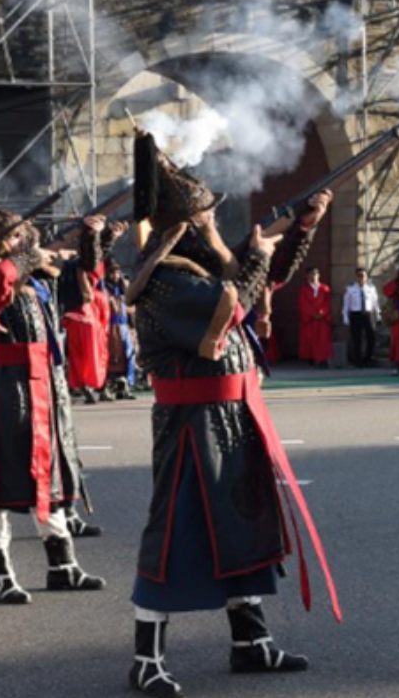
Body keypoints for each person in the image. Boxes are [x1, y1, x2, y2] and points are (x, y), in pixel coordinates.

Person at [125, 131, 339, 697]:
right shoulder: (167, 284)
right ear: (185, 230)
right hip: (193, 431)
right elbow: (237, 302)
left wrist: (302, 228)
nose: (216, 229)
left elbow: (252, 278)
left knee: (243, 528)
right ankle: (146, 659)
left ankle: (251, 642)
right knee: (174, 537)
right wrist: (259, 256)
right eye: (207, 222)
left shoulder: (195, 273)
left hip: (231, 420)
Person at [0, 181, 105, 604]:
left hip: (45, 385)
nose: (21, 241)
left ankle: (63, 566)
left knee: (50, 478)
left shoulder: (34, 279)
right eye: (14, 237)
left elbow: (79, 281)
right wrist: (29, 256)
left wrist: (93, 238)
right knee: (0, 488)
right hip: (9, 389)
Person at [59, 218, 122, 404]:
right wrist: (96, 236)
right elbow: (93, 258)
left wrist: (107, 236)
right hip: (86, 312)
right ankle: (91, 384)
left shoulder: (79, 266)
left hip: (85, 312)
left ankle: (89, 385)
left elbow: (96, 256)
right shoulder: (80, 266)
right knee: (93, 352)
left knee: (88, 352)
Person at [105, 257, 139, 398]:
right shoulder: (105, 289)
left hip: (125, 326)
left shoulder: (123, 288)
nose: (115, 276)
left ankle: (126, 386)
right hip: (112, 327)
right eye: (112, 273)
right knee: (115, 356)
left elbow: (131, 305)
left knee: (129, 355)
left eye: (117, 272)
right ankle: (112, 385)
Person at [342, 267, 379, 367]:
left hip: (368, 314)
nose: (361, 278)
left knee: (372, 338)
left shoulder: (371, 288)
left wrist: (378, 315)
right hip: (355, 315)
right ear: (356, 277)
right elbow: (346, 304)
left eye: (363, 276)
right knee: (356, 339)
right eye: (359, 276)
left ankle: (368, 359)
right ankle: (357, 361)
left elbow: (375, 303)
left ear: (366, 277)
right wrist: (345, 316)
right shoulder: (350, 288)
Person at [297, 267, 332, 368]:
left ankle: (323, 360)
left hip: (322, 319)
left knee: (323, 340)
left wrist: (322, 312)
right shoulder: (304, 290)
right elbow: (303, 304)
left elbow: (328, 302)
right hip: (310, 319)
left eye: (316, 274)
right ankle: (311, 358)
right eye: (311, 274)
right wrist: (313, 313)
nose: (314, 276)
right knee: (310, 339)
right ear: (307, 276)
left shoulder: (325, 288)